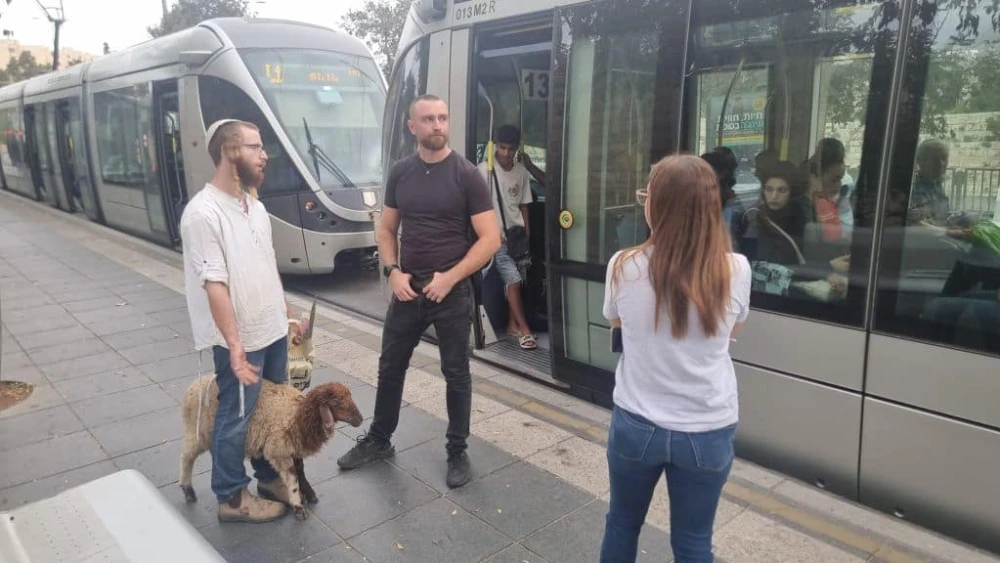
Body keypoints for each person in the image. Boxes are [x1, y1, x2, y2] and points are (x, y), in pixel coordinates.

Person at [336, 95, 501, 488]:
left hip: (451, 294)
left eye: (443, 117)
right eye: (428, 119)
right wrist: (392, 271)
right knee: (390, 366)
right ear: (413, 127)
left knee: (456, 373)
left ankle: (456, 450)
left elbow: (490, 239)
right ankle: (379, 439)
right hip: (408, 289)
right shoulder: (401, 173)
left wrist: (450, 277)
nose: (438, 125)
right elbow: (387, 228)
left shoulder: (466, 175)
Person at [599, 154, 752, 562]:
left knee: (621, 524)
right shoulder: (736, 269)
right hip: (707, 430)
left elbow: (616, 324)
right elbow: (732, 333)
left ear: (657, 205)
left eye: (647, 194)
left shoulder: (622, 266)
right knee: (693, 543)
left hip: (636, 425)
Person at [180, 119, 307, 523]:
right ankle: (232, 498)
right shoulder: (202, 214)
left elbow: (265, 267)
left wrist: (286, 314)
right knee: (234, 419)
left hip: (270, 333)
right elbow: (214, 284)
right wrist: (235, 346)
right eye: (254, 146)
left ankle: (268, 477)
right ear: (229, 153)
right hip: (240, 341)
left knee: (269, 412)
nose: (264, 154)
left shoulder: (257, 208)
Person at [478, 124, 541, 349]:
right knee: (513, 279)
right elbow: (478, 208)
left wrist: (527, 234)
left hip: (517, 237)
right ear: (495, 146)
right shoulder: (484, 170)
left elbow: (524, 205)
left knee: (517, 282)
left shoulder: (521, 172)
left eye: (511, 149)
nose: (505, 153)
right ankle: (524, 330)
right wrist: (488, 232)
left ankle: (512, 326)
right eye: (502, 148)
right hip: (497, 240)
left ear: (517, 150)